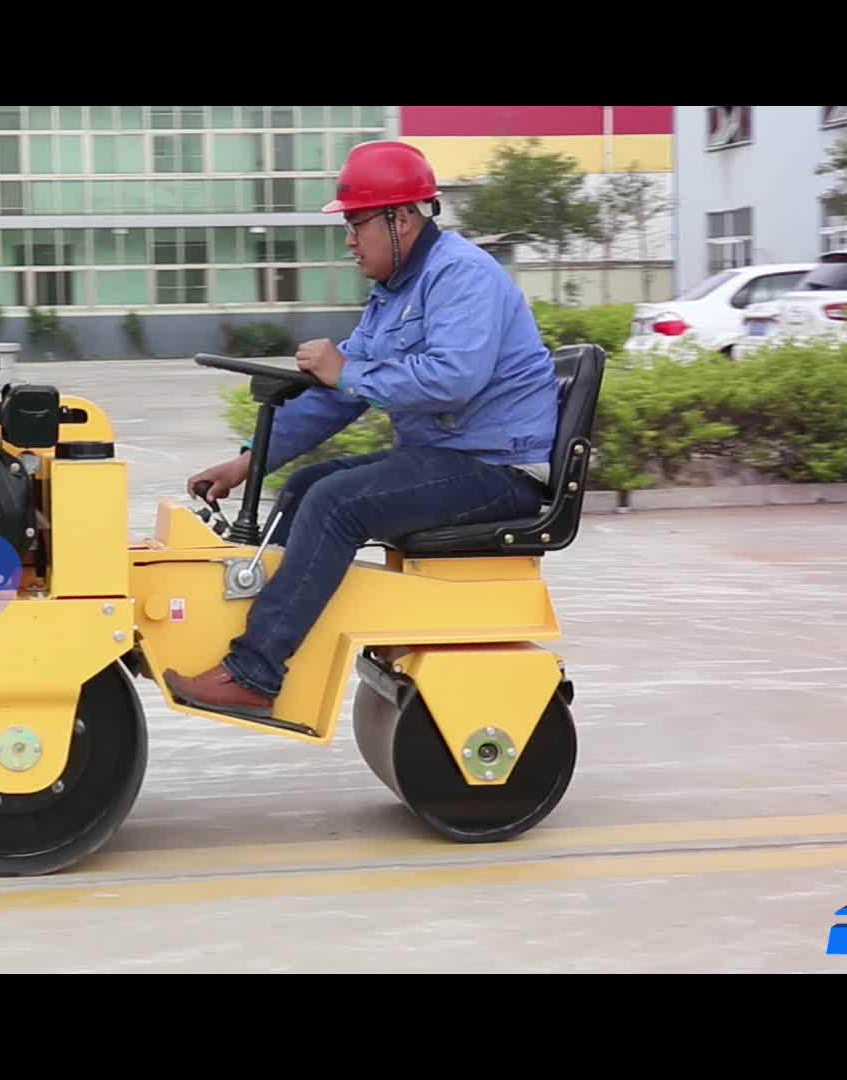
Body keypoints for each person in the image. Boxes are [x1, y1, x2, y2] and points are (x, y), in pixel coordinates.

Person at [162, 141, 559, 719]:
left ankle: (255, 671)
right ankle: (256, 643)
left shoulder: (461, 276)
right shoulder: (394, 295)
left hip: (501, 470)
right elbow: (336, 399)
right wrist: (248, 463)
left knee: (333, 502)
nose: (349, 239)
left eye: (356, 223)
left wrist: (347, 370)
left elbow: (454, 380)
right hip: (449, 460)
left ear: (400, 219)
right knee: (307, 486)